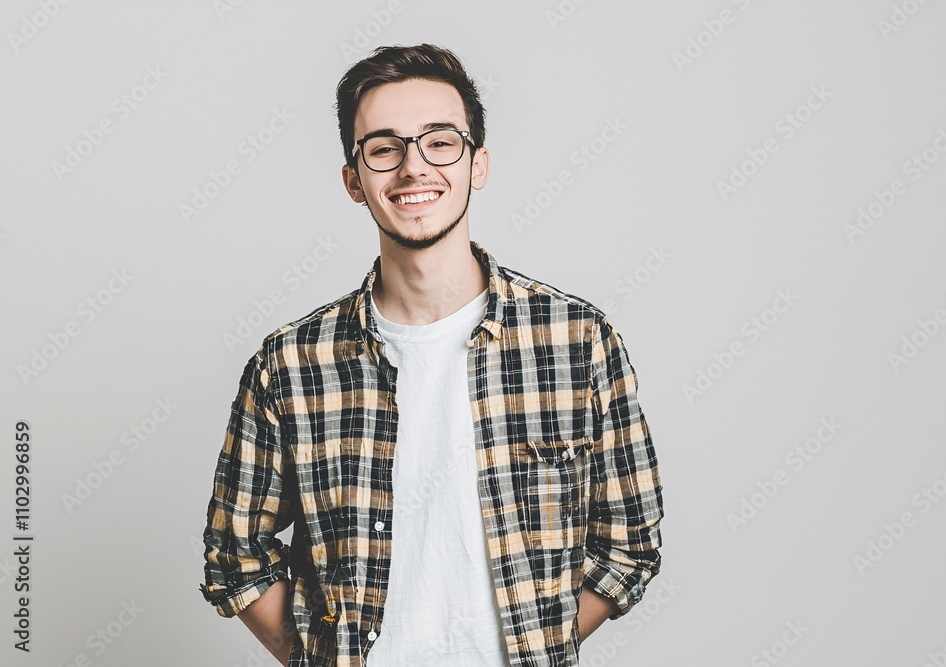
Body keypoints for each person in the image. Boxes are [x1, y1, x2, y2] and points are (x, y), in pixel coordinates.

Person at [199, 43, 664, 667]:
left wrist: (536, 647)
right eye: (384, 148)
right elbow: (235, 555)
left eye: (440, 141)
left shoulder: (578, 343)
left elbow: (629, 542)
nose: (414, 168)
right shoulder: (291, 365)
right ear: (353, 180)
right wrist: (322, 658)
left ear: (479, 164)